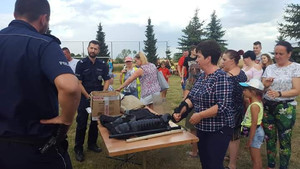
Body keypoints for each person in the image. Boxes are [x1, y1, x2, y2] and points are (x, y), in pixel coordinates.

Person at [0, 0, 81, 169]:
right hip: (36, 146)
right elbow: (70, 87)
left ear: (15, 15)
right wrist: (65, 121)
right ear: (44, 19)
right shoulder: (44, 44)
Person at [173, 40, 234, 169]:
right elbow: (191, 98)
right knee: (205, 162)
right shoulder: (201, 77)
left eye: (199, 56)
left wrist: (200, 115)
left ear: (208, 58)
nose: (196, 60)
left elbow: (222, 105)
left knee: (214, 164)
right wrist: (180, 111)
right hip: (203, 128)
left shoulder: (221, 77)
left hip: (219, 129)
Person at [262, 41, 300, 169]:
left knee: (284, 140)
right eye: (276, 53)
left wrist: (279, 93)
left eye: (281, 54)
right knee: (269, 139)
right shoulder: (270, 68)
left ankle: (284, 166)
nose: (277, 56)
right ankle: (271, 165)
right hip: (268, 106)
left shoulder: (295, 67)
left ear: (289, 54)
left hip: (285, 108)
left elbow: (297, 89)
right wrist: (266, 84)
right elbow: (263, 86)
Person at [74, 40, 110, 162]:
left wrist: (103, 93)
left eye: (95, 49)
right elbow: (78, 83)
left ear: (98, 51)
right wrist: (87, 96)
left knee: (95, 122)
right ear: (88, 49)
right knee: (82, 123)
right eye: (91, 48)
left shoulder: (103, 64)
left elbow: (107, 80)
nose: (93, 50)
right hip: (84, 98)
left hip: (98, 98)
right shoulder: (81, 64)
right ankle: (78, 148)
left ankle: (92, 144)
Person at [221, 50, 247, 169]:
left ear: (232, 61)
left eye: (224, 59)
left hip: (231, 110)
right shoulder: (242, 73)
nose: (222, 62)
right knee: (234, 137)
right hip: (239, 108)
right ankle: (231, 157)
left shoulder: (228, 77)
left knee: (232, 138)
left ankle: (232, 165)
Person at [239, 79, 265, 169]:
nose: (243, 91)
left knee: (255, 159)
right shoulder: (255, 103)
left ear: (253, 92)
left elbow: (254, 124)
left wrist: (250, 139)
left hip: (255, 133)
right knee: (255, 158)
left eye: (245, 90)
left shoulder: (254, 106)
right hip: (255, 132)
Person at [183, 63, 202, 158]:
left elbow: (186, 97)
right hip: (203, 109)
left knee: (193, 131)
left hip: (192, 109)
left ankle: (194, 152)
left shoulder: (189, 81)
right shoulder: (204, 80)